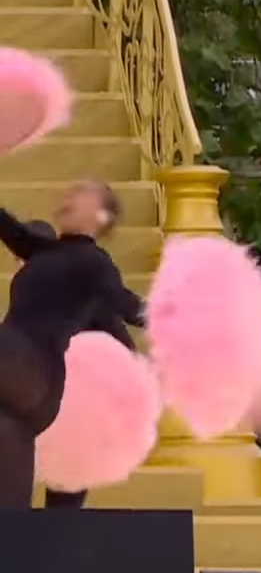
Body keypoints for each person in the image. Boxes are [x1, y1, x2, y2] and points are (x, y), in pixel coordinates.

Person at [0, 179, 142, 508]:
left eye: (81, 194)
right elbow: (9, 228)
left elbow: (128, 308)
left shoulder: (93, 262)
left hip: (35, 370)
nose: (68, 196)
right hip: (20, 378)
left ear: (102, 217)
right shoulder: (44, 251)